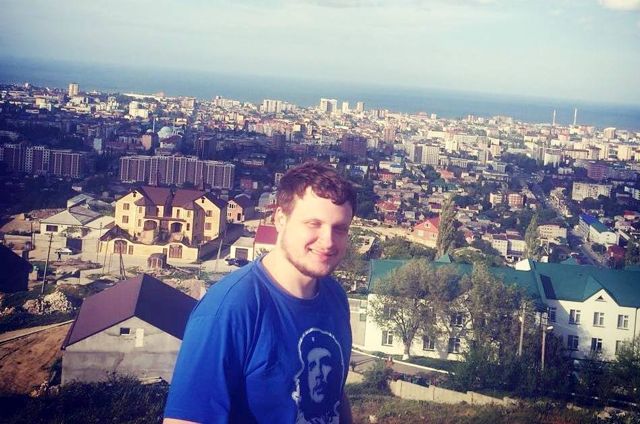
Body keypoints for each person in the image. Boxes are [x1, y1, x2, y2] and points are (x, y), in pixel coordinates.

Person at [164, 161, 356, 424]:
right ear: (280, 219)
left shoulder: (335, 298)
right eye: (313, 224)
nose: (328, 241)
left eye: (340, 228)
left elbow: (334, 396)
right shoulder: (231, 308)